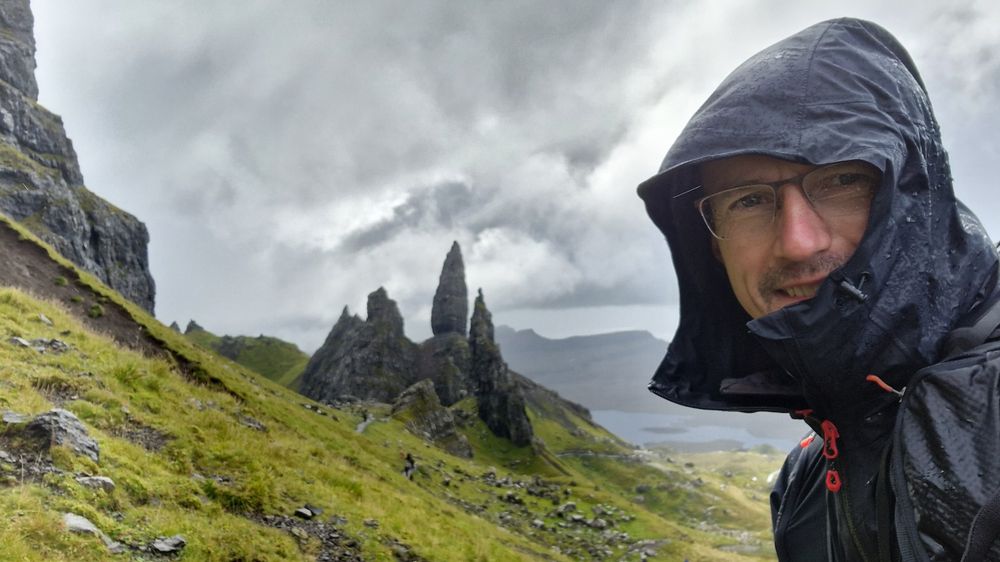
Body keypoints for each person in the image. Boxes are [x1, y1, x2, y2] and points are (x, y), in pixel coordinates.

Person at [637, 18, 1000, 561]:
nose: (798, 242)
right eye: (749, 201)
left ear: (914, 194)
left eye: (842, 181)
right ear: (712, 245)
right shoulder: (804, 480)